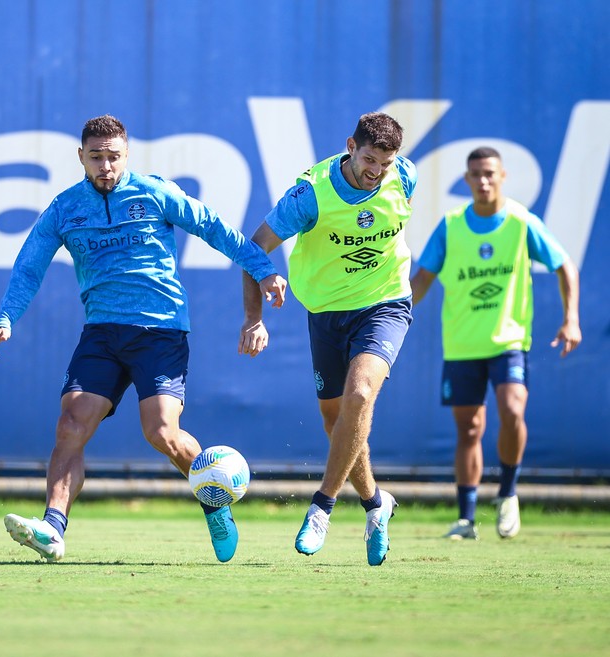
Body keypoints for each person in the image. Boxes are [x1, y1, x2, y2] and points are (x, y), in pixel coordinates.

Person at [0, 114, 286, 564]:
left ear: (127, 155)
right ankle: (52, 529)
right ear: (80, 157)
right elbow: (29, 266)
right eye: (96, 157)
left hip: (160, 330)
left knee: (161, 432)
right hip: (101, 331)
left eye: (113, 157)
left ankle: (214, 501)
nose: (105, 167)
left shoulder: (155, 193)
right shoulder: (64, 209)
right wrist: (6, 320)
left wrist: (265, 269)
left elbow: (216, 229)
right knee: (70, 423)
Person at [239, 112, 416, 566]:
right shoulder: (311, 194)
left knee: (360, 394)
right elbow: (254, 247)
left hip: (385, 304)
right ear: (350, 146)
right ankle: (377, 504)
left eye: (386, 163)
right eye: (369, 159)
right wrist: (254, 318)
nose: (376, 171)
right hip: (324, 313)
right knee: (336, 423)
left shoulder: (405, 177)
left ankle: (321, 508)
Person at [410, 146, 581, 540]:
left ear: (502, 176)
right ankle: (466, 519)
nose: (483, 180)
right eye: (475, 174)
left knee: (512, 409)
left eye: (489, 173)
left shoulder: (521, 222)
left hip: (509, 341)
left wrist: (570, 319)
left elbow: (564, 265)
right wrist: (391, 310)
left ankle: (507, 494)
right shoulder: (451, 226)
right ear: (467, 180)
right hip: (462, 345)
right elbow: (421, 281)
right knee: (469, 430)